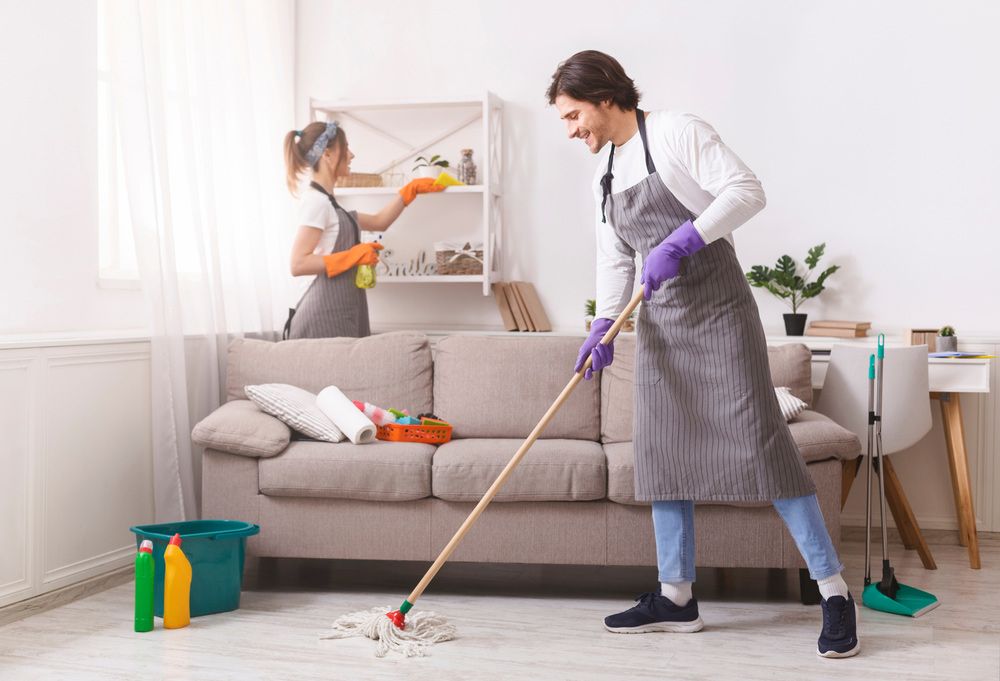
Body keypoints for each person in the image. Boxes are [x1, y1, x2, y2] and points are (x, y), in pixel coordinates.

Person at [547, 50, 859, 659]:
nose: (571, 129)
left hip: (719, 316)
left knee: (764, 447)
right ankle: (676, 596)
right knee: (664, 453)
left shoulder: (676, 132)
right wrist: (604, 323)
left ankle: (834, 591)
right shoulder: (604, 175)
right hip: (662, 327)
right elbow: (614, 257)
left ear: (606, 98)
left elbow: (746, 190)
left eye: (573, 114)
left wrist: (685, 239)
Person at [281, 120, 443, 339]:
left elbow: (379, 221)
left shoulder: (330, 205)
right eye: (345, 147)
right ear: (327, 155)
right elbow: (298, 263)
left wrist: (409, 192)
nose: (351, 155)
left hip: (338, 313)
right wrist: (353, 256)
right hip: (320, 318)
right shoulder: (316, 203)